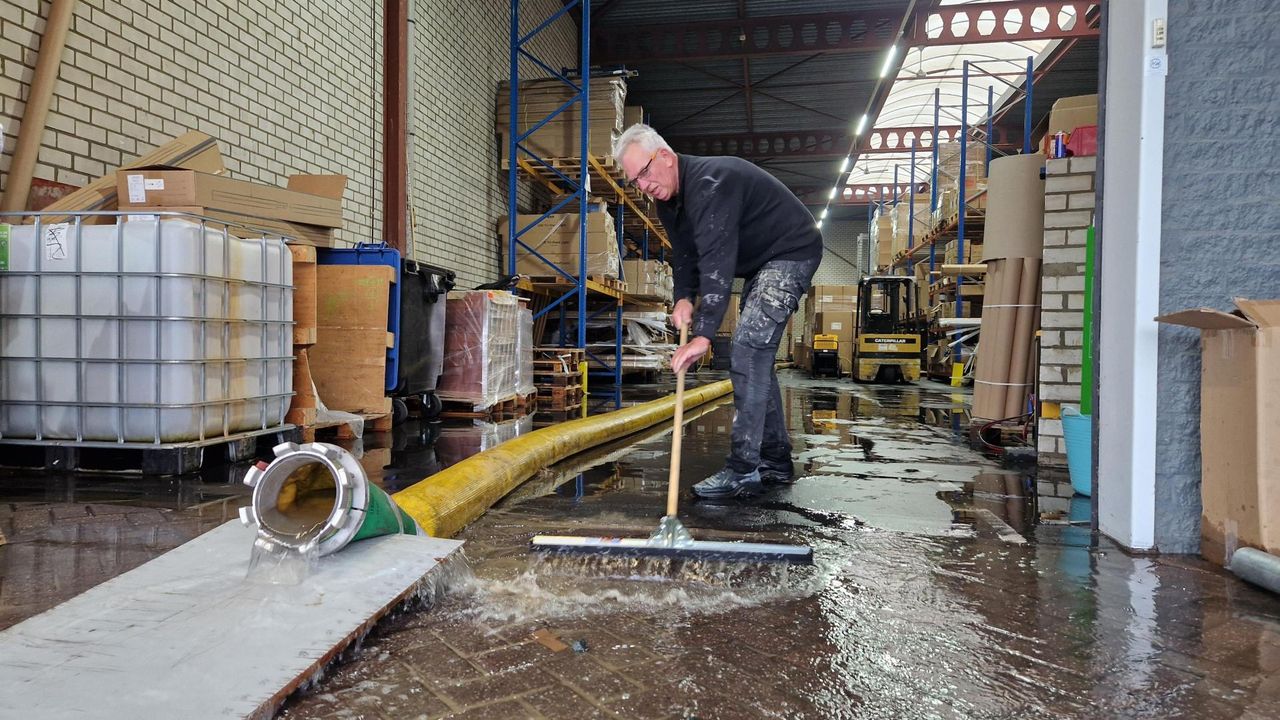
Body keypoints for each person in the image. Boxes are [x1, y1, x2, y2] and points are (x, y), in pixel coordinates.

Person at [613, 124, 823, 499]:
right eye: (634, 181)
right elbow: (685, 254)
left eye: (643, 173)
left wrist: (703, 334)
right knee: (754, 355)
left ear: (664, 156)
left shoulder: (710, 182)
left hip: (791, 250)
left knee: (747, 349)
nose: (642, 186)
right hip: (761, 262)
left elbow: (716, 261)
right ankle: (774, 463)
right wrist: (682, 297)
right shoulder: (668, 200)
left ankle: (744, 469)